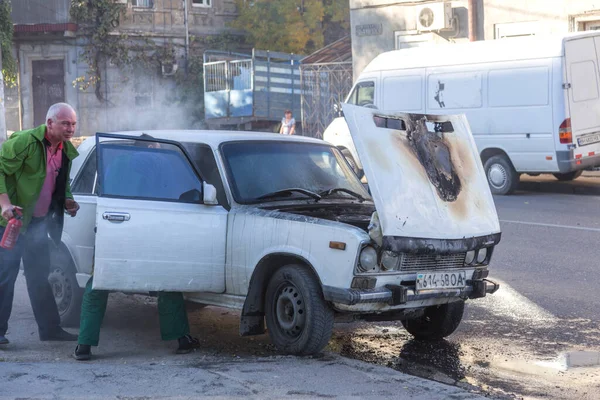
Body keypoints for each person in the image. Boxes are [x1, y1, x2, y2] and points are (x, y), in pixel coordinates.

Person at [73, 135, 200, 361]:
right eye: (158, 147)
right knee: (166, 282)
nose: (159, 149)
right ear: (152, 147)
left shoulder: (115, 162)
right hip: (149, 230)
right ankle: (181, 339)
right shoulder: (160, 160)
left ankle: (84, 345)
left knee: (97, 285)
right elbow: (176, 193)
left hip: (113, 226)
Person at [0, 103, 80, 346]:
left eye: (74, 124)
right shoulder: (25, 142)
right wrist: (4, 205)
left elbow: (60, 182)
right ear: (50, 123)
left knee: (40, 276)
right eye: (65, 123)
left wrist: (67, 200)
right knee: (5, 276)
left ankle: (50, 329)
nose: (70, 129)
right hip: (11, 222)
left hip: (38, 224)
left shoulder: (65, 150)